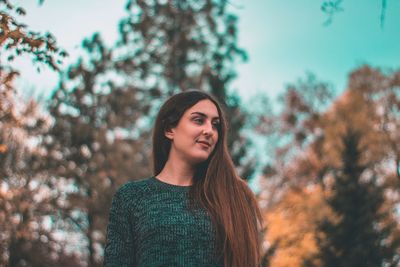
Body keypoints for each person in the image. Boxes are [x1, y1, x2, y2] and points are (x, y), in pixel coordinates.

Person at [104, 90, 263, 267]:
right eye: (198, 120)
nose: (210, 131)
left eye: (215, 125)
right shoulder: (131, 197)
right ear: (169, 129)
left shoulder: (235, 196)